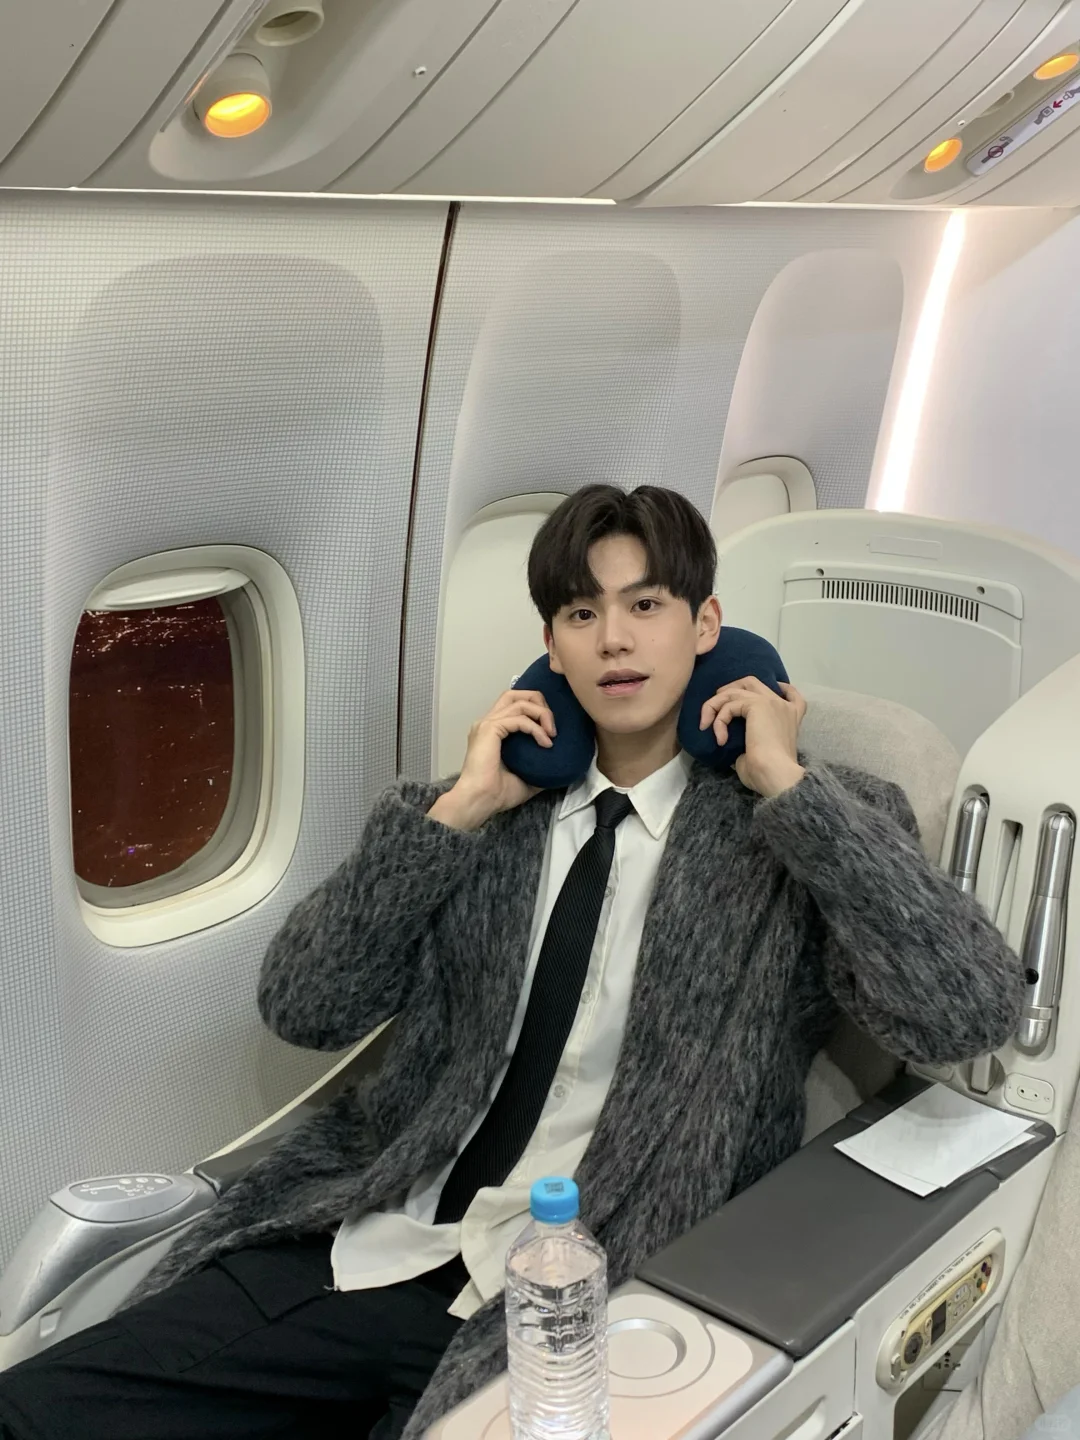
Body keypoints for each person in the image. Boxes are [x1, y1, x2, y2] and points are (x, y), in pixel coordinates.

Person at [0, 485, 1025, 1440]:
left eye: (647, 605)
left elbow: (966, 1011)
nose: (614, 638)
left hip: (586, 1292)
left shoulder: (797, 828)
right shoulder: (485, 814)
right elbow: (304, 1005)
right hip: (374, 1236)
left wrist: (791, 789)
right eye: (582, 613)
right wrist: (455, 814)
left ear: (705, 626)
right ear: (551, 645)